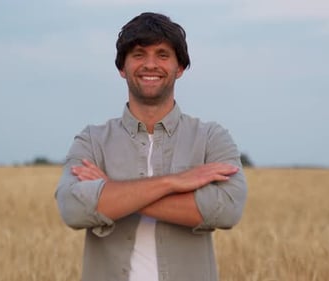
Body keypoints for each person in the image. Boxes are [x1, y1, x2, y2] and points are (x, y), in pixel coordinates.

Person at [55, 12, 247, 281]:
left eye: (163, 55)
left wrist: (112, 191)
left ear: (179, 68)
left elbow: (227, 209)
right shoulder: (92, 140)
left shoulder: (211, 138)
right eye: (138, 54)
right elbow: (73, 209)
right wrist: (175, 182)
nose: (150, 64)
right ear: (122, 67)